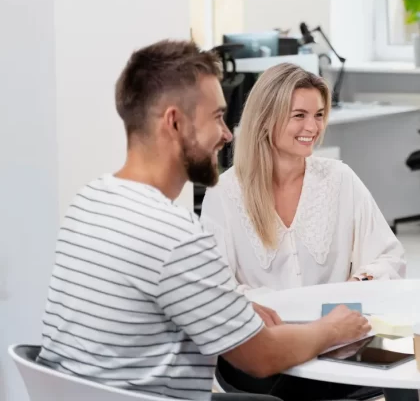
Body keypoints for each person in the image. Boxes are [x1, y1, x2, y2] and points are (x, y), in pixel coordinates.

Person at [36, 39, 371, 401]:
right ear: (175, 123)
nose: (227, 134)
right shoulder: (174, 235)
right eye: (216, 117)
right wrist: (333, 328)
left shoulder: (90, 202)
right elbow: (262, 357)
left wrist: (231, 304)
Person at [199, 62, 405, 296]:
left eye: (318, 115)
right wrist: (283, 308)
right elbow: (214, 287)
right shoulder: (225, 192)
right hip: (265, 330)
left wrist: (359, 283)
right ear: (265, 119)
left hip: (334, 327)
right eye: (299, 115)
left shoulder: (340, 179)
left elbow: (389, 257)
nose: (312, 127)